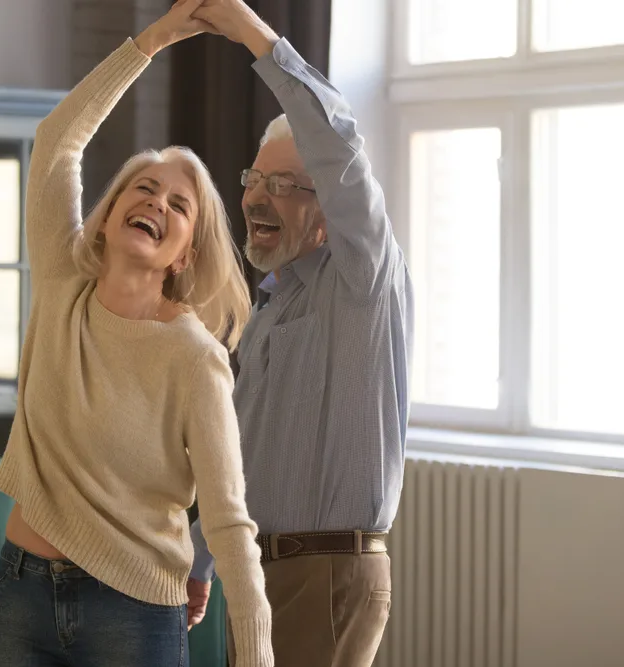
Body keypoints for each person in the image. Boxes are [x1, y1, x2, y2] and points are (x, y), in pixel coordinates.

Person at [0, 2, 275, 666]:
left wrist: (255, 650)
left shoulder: (195, 358)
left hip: (134, 612)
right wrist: (155, 38)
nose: (156, 203)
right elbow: (57, 140)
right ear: (108, 214)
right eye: (143, 189)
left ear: (183, 253)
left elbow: (228, 517)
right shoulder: (63, 284)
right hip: (18, 592)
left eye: (178, 205)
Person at [185, 1, 415, 666]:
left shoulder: (363, 277)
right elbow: (248, 455)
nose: (256, 198)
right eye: (254, 180)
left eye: (283, 185)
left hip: (325, 573)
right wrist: (202, 553)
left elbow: (337, 143)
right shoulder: (274, 307)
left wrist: (253, 35)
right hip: (260, 575)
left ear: (328, 208)